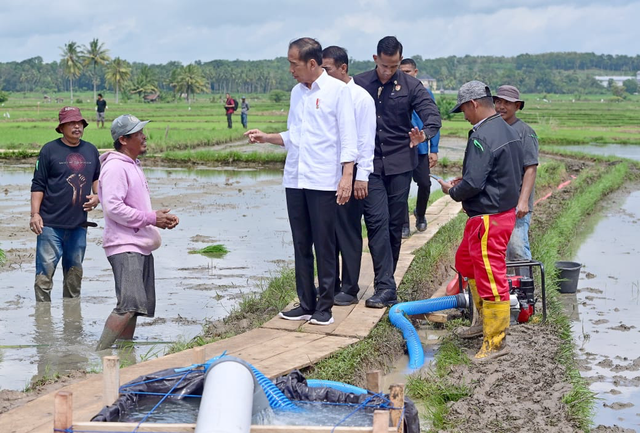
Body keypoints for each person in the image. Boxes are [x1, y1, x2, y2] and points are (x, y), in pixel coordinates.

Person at [244, 37, 357, 325]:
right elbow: (294, 134)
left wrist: (347, 176)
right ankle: (306, 302)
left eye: (294, 64)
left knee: (325, 244)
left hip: (323, 180)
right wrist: (267, 137)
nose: (291, 69)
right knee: (301, 243)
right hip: (295, 177)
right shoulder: (297, 93)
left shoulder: (338, 91)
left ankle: (325, 307)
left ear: (311, 63)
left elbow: (348, 138)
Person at [437, 81, 523, 361]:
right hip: (496, 213)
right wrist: (469, 183)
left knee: (490, 276)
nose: (463, 115)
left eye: (463, 109)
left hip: (490, 218)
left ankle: (496, 341)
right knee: (467, 263)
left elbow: (474, 182)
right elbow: (497, 173)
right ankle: (480, 324)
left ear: (473, 104)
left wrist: (453, 191)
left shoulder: (482, 135)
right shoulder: (506, 130)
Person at [354, 36, 441, 308]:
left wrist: (423, 134)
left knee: (394, 225)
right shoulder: (358, 84)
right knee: (376, 222)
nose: (388, 72)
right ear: (375, 59)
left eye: (394, 67)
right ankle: (385, 286)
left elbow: (432, 116)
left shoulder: (412, 86)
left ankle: (386, 282)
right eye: (384, 66)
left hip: (401, 164)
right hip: (369, 166)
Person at [95, 114, 179, 350]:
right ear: (123, 139)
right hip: (124, 245)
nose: (144, 136)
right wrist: (152, 218)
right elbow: (113, 208)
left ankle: (124, 355)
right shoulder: (114, 168)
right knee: (128, 305)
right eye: (138, 133)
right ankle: (99, 354)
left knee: (134, 309)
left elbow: (132, 207)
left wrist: (157, 218)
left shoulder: (132, 166)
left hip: (138, 243)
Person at [321, 45, 375, 306]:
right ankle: (331, 284)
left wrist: (361, 176)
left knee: (348, 230)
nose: (323, 74)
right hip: (325, 176)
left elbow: (365, 140)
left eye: (327, 69)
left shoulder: (360, 97)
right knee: (327, 231)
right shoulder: (323, 94)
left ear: (343, 68)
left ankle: (350, 287)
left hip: (350, 176)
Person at [30, 106, 101, 302]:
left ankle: (72, 318)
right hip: (50, 225)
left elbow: (97, 178)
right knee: (44, 275)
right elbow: (38, 184)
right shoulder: (49, 150)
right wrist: (35, 214)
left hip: (78, 225)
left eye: (79, 123)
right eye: (71, 123)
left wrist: (98, 196)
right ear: (61, 127)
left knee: (74, 275)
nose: (77, 126)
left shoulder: (91, 150)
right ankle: (42, 318)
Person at [494, 85, 539, 275]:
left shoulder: (524, 132)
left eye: (507, 103)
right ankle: (504, 292)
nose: (501, 106)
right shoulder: (493, 130)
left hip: (516, 204)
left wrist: (523, 201)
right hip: (496, 201)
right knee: (496, 250)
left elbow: (530, 168)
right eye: (498, 101)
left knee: (516, 247)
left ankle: (525, 295)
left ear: (517, 106)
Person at [398, 58, 440, 238]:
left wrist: (434, 149)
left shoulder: (425, 93)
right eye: (401, 71)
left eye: (407, 72)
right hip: (401, 149)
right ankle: (403, 224)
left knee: (424, 183)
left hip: (421, 148)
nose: (404, 75)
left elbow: (434, 122)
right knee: (401, 187)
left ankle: (420, 213)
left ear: (415, 72)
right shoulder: (395, 92)